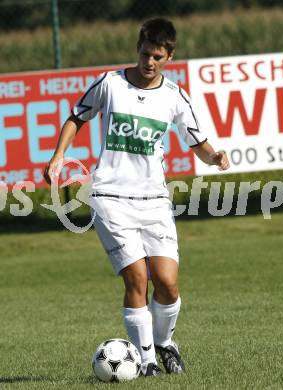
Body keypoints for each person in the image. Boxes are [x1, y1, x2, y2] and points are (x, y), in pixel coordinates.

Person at [44, 18, 229, 377]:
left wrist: (216, 156)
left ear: (170, 56)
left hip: (154, 200)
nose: (149, 62)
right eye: (145, 54)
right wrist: (58, 155)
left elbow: (198, 144)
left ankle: (164, 343)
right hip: (111, 196)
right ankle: (145, 363)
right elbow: (76, 117)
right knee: (137, 280)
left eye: (158, 56)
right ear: (138, 49)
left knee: (168, 285)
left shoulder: (175, 96)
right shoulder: (110, 84)